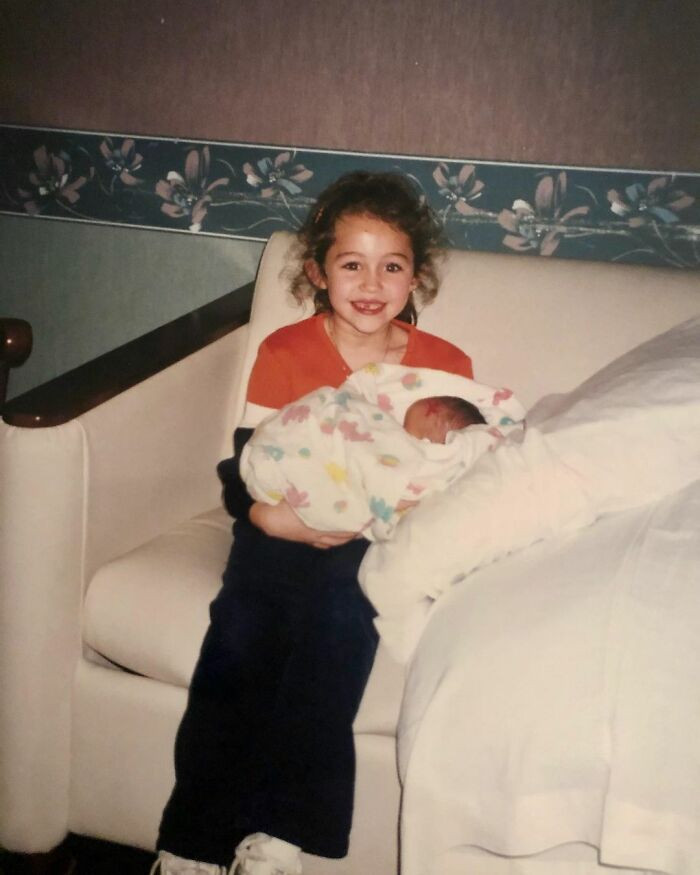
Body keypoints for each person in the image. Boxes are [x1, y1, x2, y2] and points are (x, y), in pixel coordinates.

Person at [151, 171, 474, 875]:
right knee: (239, 635)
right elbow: (249, 461)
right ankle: (193, 838)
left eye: (392, 266)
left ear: (416, 276)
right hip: (281, 524)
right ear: (319, 273)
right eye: (351, 264)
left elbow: (459, 468)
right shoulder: (286, 350)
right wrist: (269, 519)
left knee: (338, 624)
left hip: (373, 540)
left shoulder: (444, 368)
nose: (371, 283)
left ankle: (280, 834)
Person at [240, 363, 490, 542]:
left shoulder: (447, 364)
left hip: (356, 540)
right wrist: (260, 517)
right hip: (276, 509)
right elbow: (236, 462)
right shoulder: (284, 351)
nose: (401, 433)